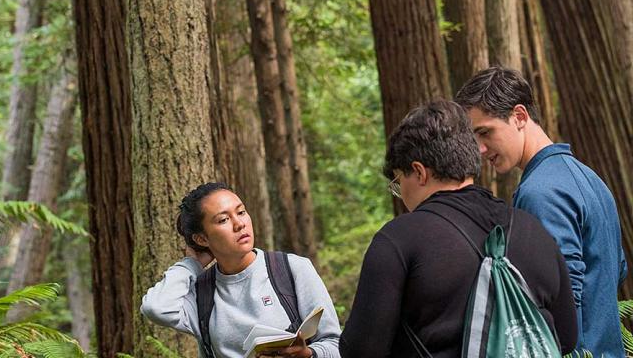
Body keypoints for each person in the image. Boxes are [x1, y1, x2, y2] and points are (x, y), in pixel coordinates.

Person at [339, 100, 576, 358]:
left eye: (397, 182)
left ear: (419, 172)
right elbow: (566, 337)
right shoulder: (533, 230)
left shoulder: (398, 239)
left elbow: (361, 350)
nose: (400, 194)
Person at [456, 66, 628, 357]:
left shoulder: (541, 193)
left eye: (485, 132)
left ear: (519, 116)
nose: (480, 149)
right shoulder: (588, 177)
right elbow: (617, 270)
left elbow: (557, 299)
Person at [141, 182, 341, 358]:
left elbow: (335, 345)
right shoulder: (201, 293)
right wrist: (192, 265)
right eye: (223, 220)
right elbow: (156, 309)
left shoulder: (291, 269)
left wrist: (308, 354)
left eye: (241, 212)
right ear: (201, 239)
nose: (239, 224)